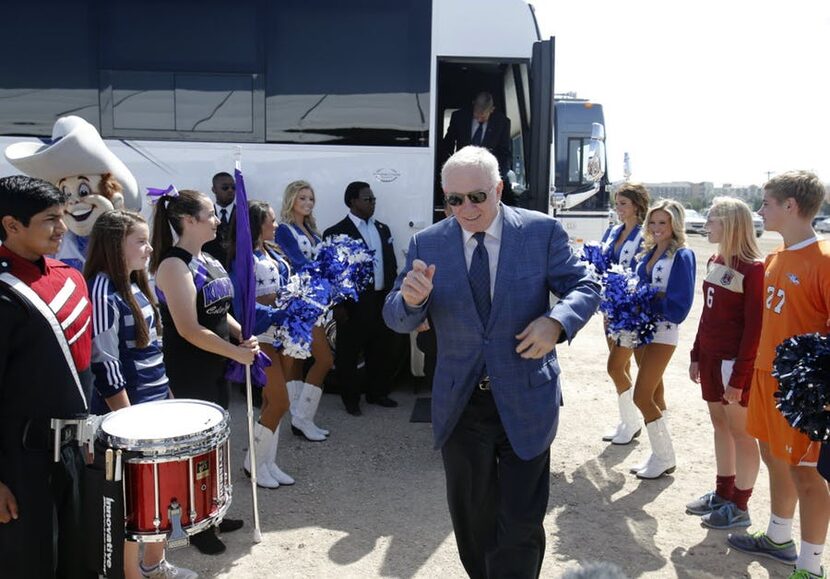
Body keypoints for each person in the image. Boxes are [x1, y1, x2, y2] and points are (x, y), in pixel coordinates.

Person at [383, 146, 600, 578]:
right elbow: (396, 313)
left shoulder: (542, 232)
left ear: (499, 189)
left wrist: (555, 322)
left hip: (526, 395)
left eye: (477, 197)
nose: (466, 208)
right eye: (454, 199)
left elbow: (585, 285)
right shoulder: (428, 243)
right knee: (473, 521)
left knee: (521, 521)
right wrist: (410, 300)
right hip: (462, 404)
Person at [727, 171, 830, 579]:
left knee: (807, 474)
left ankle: (811, 566)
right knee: (774, 459)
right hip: (766, 377)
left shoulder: (823, 260)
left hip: (804, 390)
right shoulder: (774, 257)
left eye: (767, 203)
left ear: (791, 206)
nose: (760, 210)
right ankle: (779, 537)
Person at [85, 209, 197, 579]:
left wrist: (168, 395)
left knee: (157, 491)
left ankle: (154, 564)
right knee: (131, 501)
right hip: (129, 416)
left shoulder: (136, 283)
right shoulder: (103, 289)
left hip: (154, 406)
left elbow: (152, 351)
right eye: (141, 241)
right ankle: (132, 573)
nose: (150, 249)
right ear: (114, 246)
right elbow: (105, 363)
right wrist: (129, 423)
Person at [0, 175, 96, 579]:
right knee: (31, 565)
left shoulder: (71, 276)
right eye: (50, 220)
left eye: (62, 217)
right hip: (21, 461)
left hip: (75, 452)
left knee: (80, 561)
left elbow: (88, 366)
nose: (62, 228)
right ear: (11, 225)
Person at [150, 187, 255, 555]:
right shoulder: (172, 265)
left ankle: (213, 512)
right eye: (210, 214)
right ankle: (195, 525)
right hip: (190, 368)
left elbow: (219, 308)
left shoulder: (207, 259)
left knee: (216, 446)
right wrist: (233, 352)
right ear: (188, 220)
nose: (216, 219)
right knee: (195, 452)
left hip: (218, 363)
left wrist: (243, 336)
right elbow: (189, 329)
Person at [685, 197, 763, 531]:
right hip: (713, 359)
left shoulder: (755, 268)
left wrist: (740, 377)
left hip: (734, 363)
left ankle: (740, 505)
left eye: (712, 220)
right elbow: (708, 313)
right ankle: (722, 492)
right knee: (720, 426)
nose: (706, 226)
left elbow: (755, 328)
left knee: (742, 434)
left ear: (730, 223)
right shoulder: (717, 259)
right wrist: (696, 353)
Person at [228, 200, 295, 489]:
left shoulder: (272, 251)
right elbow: (242, 304)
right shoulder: (244, 259)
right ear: (257, 223)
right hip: (261, 336)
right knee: (280, 400)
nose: (276, 224)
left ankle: (267, 462)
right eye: (271, 220)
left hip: (280, 335)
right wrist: (276, 311)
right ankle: (252, 463)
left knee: (271, 402)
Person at [629, 199, 696, 480]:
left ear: (675, 225)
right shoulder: (648, 251)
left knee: (641, 395)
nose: (656, 228)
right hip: (640, 330)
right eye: (653, 222)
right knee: (655, 394)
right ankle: (659, 454)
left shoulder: (682, 255)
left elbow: (679, 305)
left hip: (663, 331)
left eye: (663, 223)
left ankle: (666, 455)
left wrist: (650, 300)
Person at [323, 181, 399, 416]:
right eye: (368, 199)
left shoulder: (382, 229)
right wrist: (337, 305)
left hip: (380, 300)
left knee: (381, 349)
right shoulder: (336, 232)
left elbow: (391, 264)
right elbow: (331, 272)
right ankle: (351, 399)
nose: (372, 203)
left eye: (373, 199)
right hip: (353, 304)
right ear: (352, 202)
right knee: (349, 353)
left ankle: (377, 393)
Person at [275, 180, 333, 441]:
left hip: (316, 302)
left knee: (299, 361)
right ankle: (300, 417)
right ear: (291, 201)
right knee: (323, 360)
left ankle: (300, 418)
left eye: (310, 199)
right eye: (302, 199)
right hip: (299, 304)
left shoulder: (313, 230)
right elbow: (298, 263)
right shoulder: (284, 230)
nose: (308, 203)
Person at [600, 183, 650, 445]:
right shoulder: (612, 231)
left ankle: (632, 422)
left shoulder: (645, 235)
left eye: (623, 204)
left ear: (637, 206)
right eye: (617, 203)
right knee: (622, 365)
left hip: (630, 311)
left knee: (615, 367)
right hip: (610, 306)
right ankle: (627, 421)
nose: (618, 209)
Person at [442, 92, 515, 205]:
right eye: (477, 114)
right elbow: (447, 145)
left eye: (483, 116)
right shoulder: (459, 118)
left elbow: (505, 153)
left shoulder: (502, 123)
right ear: (473, 105)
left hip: (487, 173)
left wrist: (497, 177)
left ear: (492, 110)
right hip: (462, 171)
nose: (479, 118)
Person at [202, 172, 236, 268]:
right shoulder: (204, 215)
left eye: (233, 187)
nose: (230, 190)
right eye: (225, 188)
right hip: (211, 269)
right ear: (214, 190)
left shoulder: (244, 214)